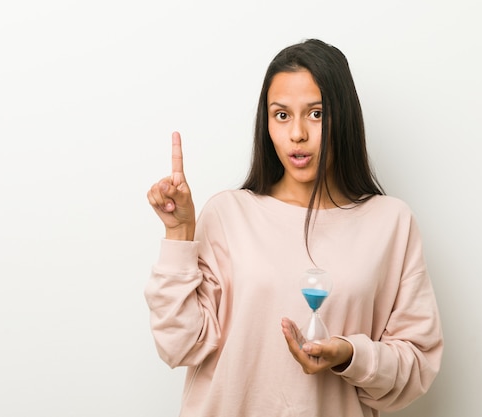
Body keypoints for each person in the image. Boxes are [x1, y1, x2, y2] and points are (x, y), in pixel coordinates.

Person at [145, 39, 443, 417]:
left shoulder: (391, 223)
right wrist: (179, 232)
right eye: (282, 115)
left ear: (344, 117)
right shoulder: (228, 214)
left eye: (316, 114)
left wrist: (350, 354)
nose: (298, 134)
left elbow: (419, 363)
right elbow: (179, 346)